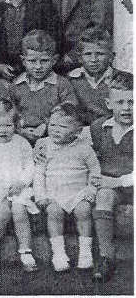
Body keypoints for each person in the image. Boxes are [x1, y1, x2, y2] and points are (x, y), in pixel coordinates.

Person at [0, 97, 39, 273]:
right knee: (2, 210)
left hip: (18, 188)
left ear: (16, 125)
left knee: (19, 210)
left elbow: (30, 165)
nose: (3, 130)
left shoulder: (21, 142)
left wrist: (21, 182)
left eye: (8, 126)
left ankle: (26, 251)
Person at [34, 104, 101, 272]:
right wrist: (41, 195)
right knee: (54, 212)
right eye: (52, 125)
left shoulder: (84, 148)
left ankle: (85, 253)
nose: (55, 130)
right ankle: (59, 253)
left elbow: (95, 171)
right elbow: (39, 173)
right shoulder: (45, 146)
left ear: (77, 132)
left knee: (84, 210)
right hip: (53, 194)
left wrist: (91, 191)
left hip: (78, 193)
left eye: (63, 126)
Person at [89, 71, 133, 282]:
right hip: (110, 186)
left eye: (132, 102)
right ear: (109, 103)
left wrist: (119, 181)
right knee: (104, 196)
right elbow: (74, 138)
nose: (126, 108)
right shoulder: (99, 127)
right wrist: (43, 144)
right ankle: (106, 257)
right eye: (121, 102)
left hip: (131, 184)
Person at [8, 30, 77, 144]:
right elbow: (9, 112)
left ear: (54, 60)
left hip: (54, 138)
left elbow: (69, 110)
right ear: (23, 61)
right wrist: (20, 129)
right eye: (32, 61)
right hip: (20, 137)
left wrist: (47, 126)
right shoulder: (15, 85)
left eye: (44, 61)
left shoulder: (62, 85)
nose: (38, 66)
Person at [68, 28, 114, 125]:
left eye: (100, 54)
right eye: (88, 54)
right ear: (79, 57)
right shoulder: (71, 79)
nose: (93, 60)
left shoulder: (121, 79)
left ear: (110, 56)